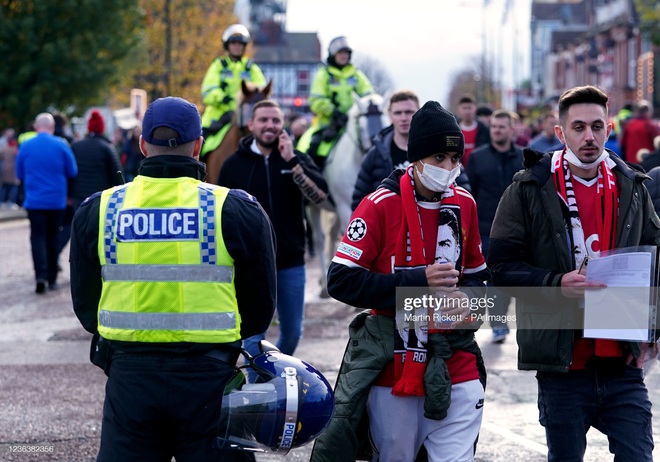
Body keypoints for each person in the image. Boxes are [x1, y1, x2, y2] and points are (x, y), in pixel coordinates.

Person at [69, 96, 277, 462]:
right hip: (210, 379)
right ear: (198, 145)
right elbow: (259, 309)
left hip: (129, 378)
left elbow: (86, 306)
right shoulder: (233, 208)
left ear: (141, 144)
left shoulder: (100, 209)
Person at [488, 85, 659, 461]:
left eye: (597, 126)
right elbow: (500, 267)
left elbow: (655, 263)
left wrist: (653, 330)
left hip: (622, 363)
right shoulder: (530, 187)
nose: (589, 136)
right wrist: (554, 283)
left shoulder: (632, 186)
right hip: (563, 365)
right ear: (560, 132)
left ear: (609, 129)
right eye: (578, 127)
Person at [311, 101, 489, 462]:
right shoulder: (378, 205)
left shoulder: (465, 203)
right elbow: (340, 280)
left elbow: (479, 278)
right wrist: (416, 281)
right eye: (439, 157)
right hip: (393, 365)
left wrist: (469, 301)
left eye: (455, 158)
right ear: (417, 159)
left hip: (456, 357)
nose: (449, 168)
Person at [218, 99, 328, 357]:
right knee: (252, 336)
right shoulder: (234, 164)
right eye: (264, 120)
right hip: (249, 265)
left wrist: (292, 161)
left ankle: (271, 372)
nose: (270, 125)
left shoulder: (295, 159)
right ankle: (259, 385)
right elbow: (221, 213)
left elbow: (320, 196)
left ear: (283, 125)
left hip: (290, 260)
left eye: (276, 121)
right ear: (251, 124)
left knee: (292, 333)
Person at [466, 109, 523, 343]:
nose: (497, 130)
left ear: (512, 129)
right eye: (494, 126)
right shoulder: (478, 158)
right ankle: (499, 324)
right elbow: (469, 194)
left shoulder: (523, 157)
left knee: (516, 279)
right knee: (494, 279)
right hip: (486, 228)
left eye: (502, 126)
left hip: (519, 230)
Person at [16, 113, 77, 293]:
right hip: (56, 200)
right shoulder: (61, 145)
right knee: (53, 237)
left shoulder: (26, 146)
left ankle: (40, 275)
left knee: (37, 237)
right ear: (52, 127)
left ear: (36, 127)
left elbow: (19, 174)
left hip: (34, 201)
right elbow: (72, 171)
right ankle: (52, 278)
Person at [296, 36, 374, 168]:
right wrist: (334, 112)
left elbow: (369, 96)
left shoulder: (356, 75)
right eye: (340, 53)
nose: (343, 56)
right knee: (314, 149)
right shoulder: (324, 75)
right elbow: (316, 100)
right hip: (328, 124)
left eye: (346, 53)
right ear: (333, 55)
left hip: (354, 123)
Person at [200, 24, 266, 156]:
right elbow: (208, 91)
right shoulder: (218, 65)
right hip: (219, 116)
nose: (237, 46)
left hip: (246, 117)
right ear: (227, 45)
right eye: (234, 43)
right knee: (200, 144)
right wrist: (222, 98)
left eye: (240, 44)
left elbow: (262, 91)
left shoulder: (251, 68)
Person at [351, 90, 420, 210]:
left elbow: (460, 190)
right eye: (398, 113)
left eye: (409, 112)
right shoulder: (375, 155)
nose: (403, 118)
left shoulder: (436, 152)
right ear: (389, 115)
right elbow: (359, 202)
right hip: (387, 226)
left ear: (419, 112)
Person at [620, 99, 660, 164]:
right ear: (647, 111)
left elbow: (622, 144)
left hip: (631, 162)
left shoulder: (629, 125)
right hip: (647, 161)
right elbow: (657, 143)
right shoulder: (650, 126)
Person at [456, 94, 490, 168]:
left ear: (475, 109)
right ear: (459, 109)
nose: (467, 111)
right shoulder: (453, 130)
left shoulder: (484, 129)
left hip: (480, 169)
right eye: (464, 108)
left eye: (469, 108)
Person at [0, 130, 19, 209]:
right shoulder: (15, 148)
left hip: (5, 169)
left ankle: (2, 202)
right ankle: (11, 202)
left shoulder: (4, 147)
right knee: (13, 187)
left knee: (4, 187)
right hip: (13, 170)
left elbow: (1, 157)